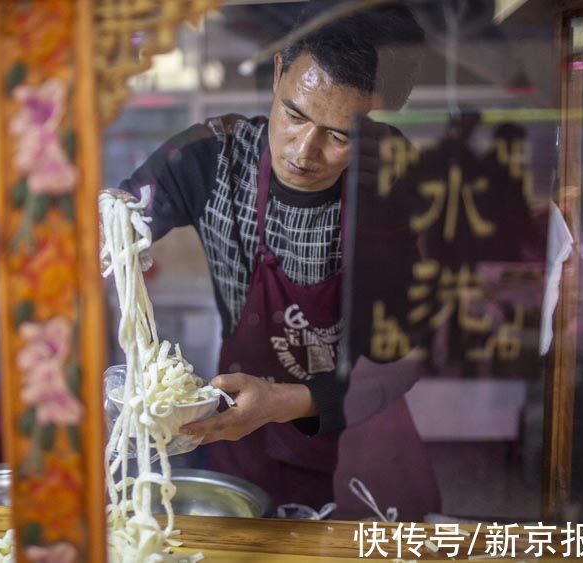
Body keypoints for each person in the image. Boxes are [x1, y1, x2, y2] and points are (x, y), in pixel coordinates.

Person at [114, 3, 441, 518]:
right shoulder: (213, 156)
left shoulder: (393, 180)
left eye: (339, 136)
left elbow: (406, 357)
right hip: (238, 435)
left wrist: (283, 401)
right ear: (277, 73)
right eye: (293, 114)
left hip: (355, 437)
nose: (303, 152)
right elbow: (118, 216)